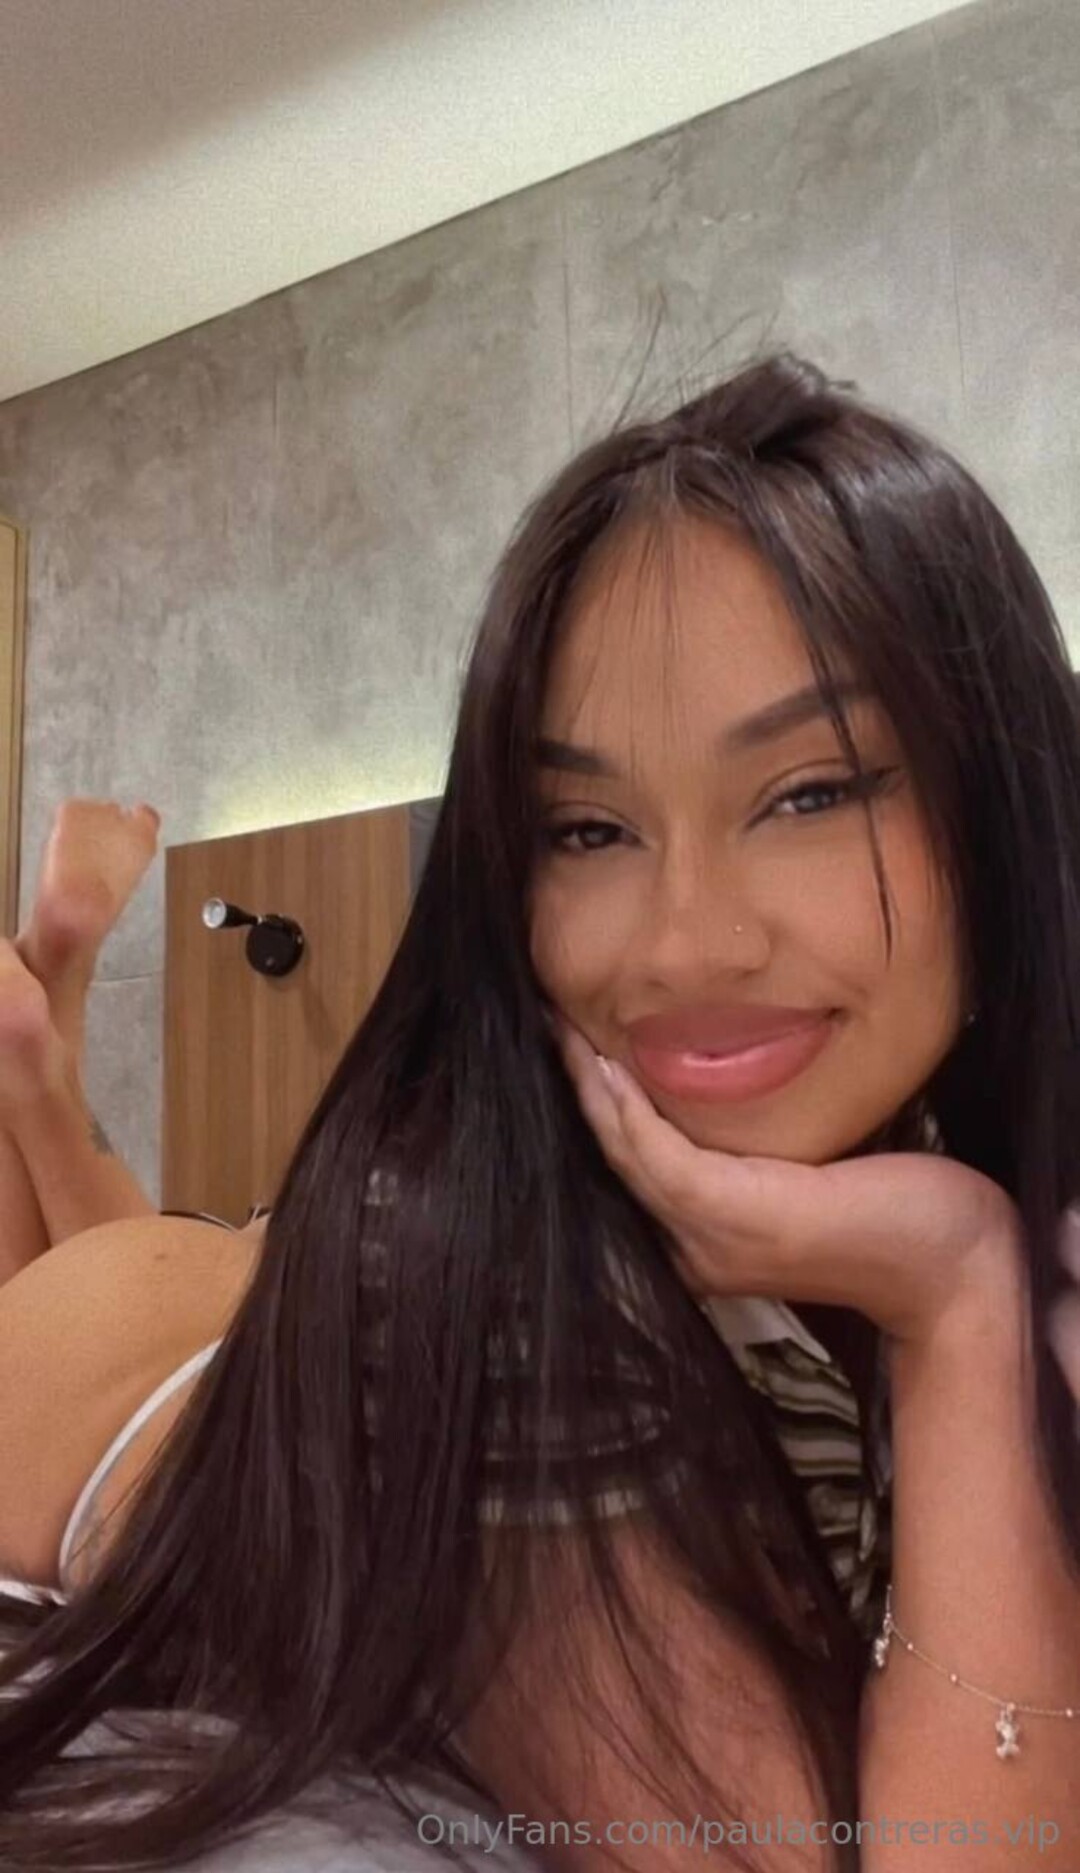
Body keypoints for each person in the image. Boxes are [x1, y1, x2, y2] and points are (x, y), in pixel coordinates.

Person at [1, 351, 1080, 1873]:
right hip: (95, 1396)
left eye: (810, 792)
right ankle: (36, 1060)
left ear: (998, 796)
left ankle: (36, 1051)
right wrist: (959, 1292)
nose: (686, 944)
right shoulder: (485, 1274)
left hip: (205, 1299)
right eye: (586, 827)